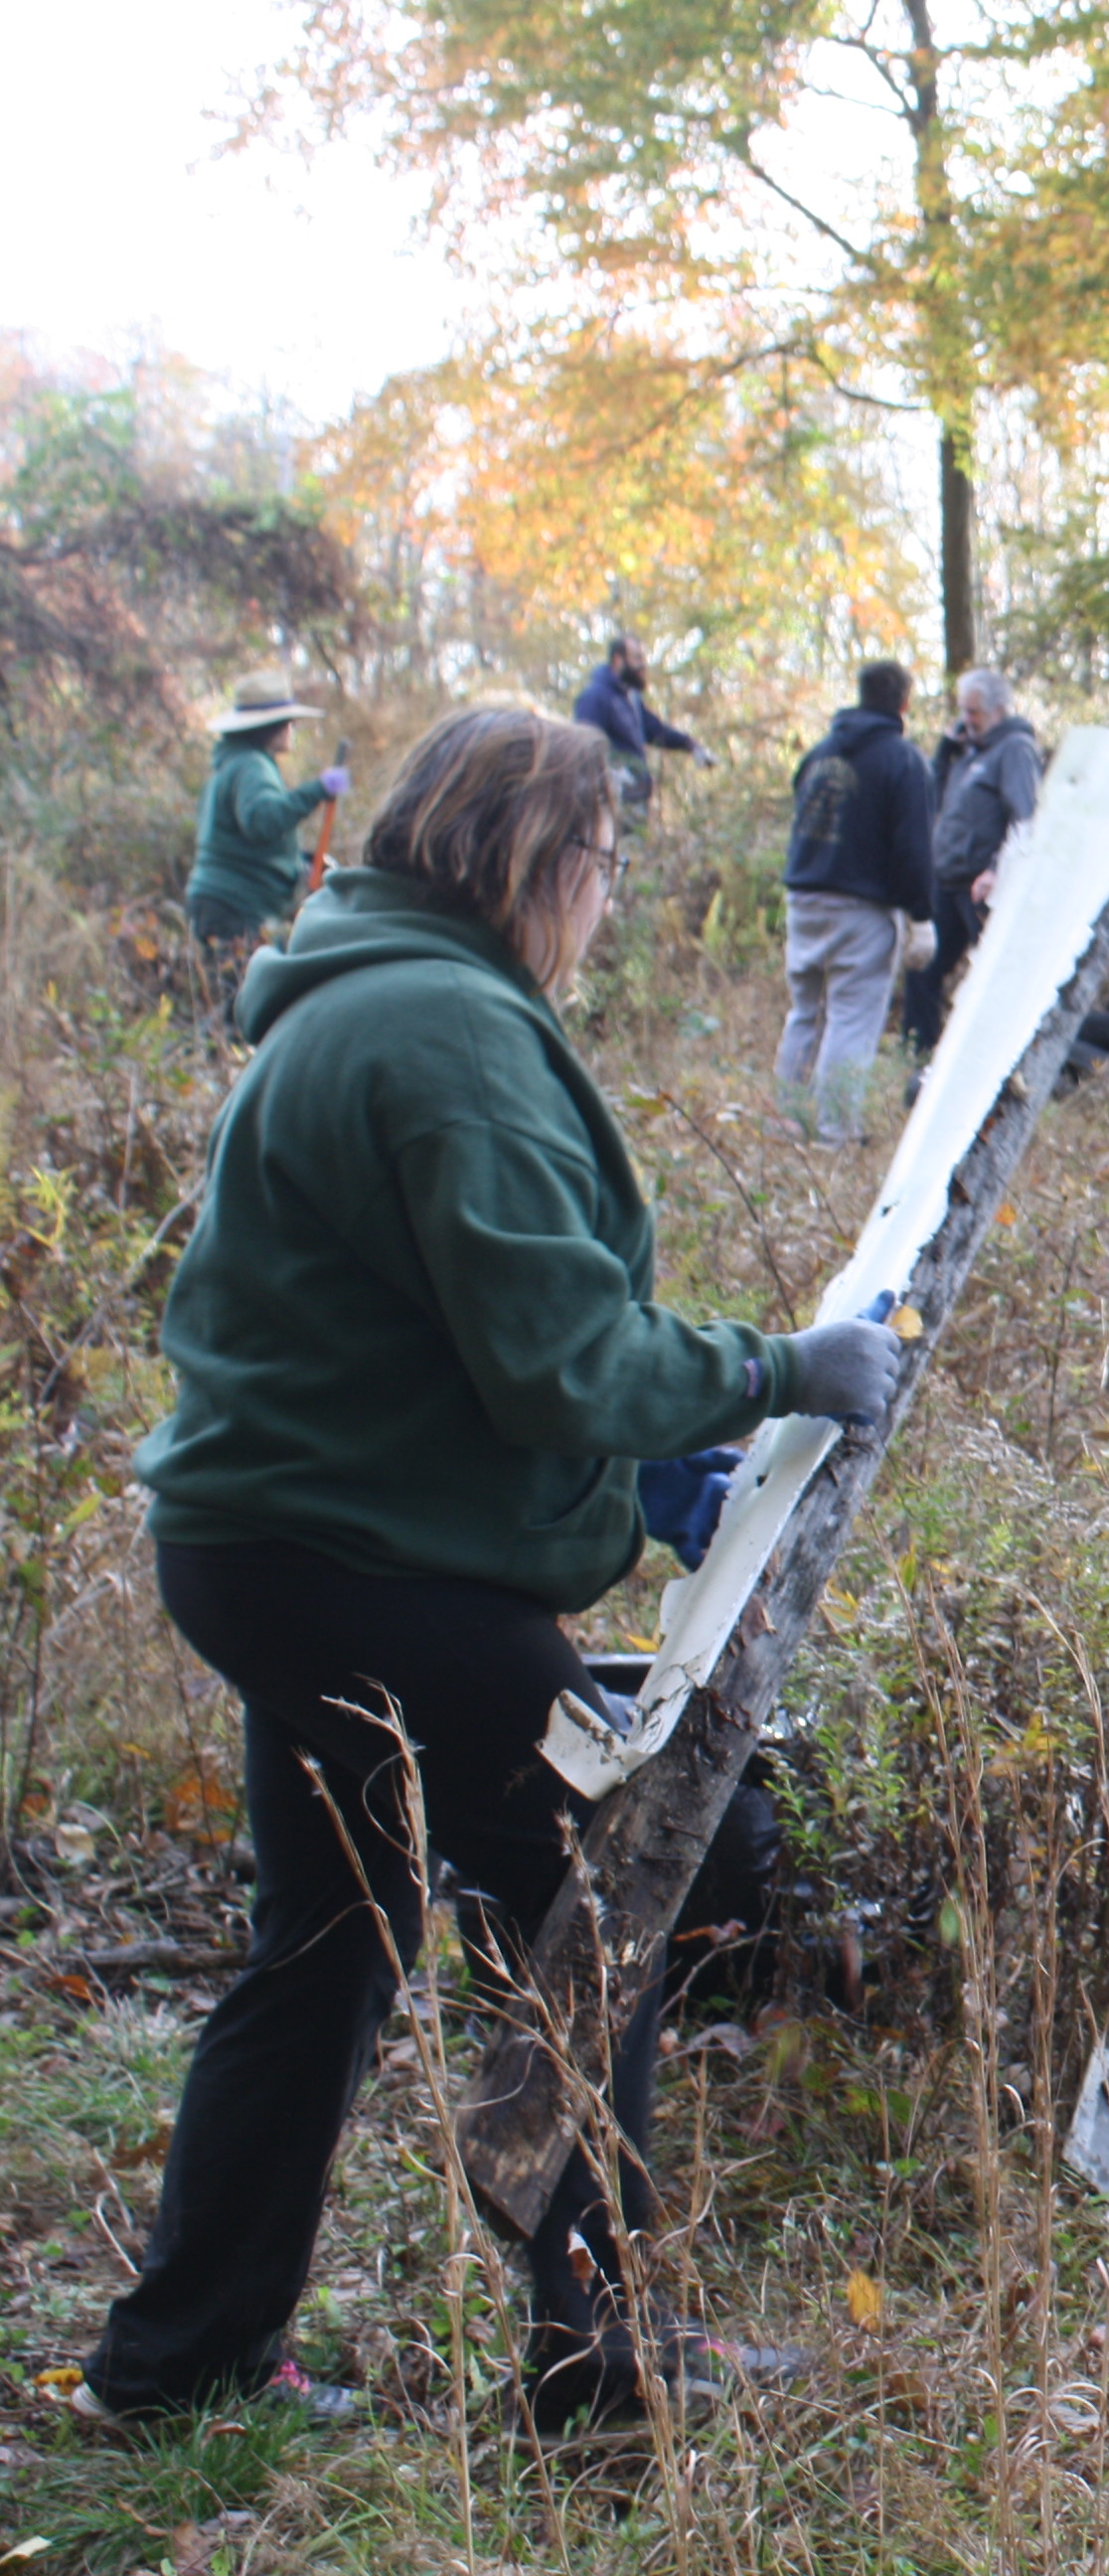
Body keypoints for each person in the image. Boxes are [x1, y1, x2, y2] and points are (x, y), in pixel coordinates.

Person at [77, 706, 909, 2436]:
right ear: (541, 859)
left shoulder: (365, 997)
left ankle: (180, 2363)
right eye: (603, 867)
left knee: (325, 1942)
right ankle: (599, 2366)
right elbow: (556, 1349)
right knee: (590, 1912)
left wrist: (650, 1468)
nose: (604, 905)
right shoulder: (447, 1028)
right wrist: (770, 1369)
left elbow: (430, 1338)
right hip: (363, 1571)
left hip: (280, 1551)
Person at [778, 659, 938, 1143]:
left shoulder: (819, 753)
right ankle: (835, 1130)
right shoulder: (903, 762)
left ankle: (786, 1120)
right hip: (861, 908)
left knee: (805, 1012)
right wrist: (922, 917)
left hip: (804, 898)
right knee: (851, 1016)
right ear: (904, 703)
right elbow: (914, 847)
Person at [904, 670, 1039, 1062]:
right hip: (945, 884)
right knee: (921, 968)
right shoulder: (969, 752)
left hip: (982, 888)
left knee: (995, 979)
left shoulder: (1014, 749)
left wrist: (998, 868)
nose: (967, 719)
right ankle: (917, 1055)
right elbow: (934, 800)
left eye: (974, 711)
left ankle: (1004, 1060)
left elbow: (1026, 817)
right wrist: (945, 752)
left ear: (999, 710)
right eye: (963, 710)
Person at [188, 669, 347, 957]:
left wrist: (299, 863)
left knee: (229, 995)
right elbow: (263, 823)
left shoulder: (232, 764)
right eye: (289, 722)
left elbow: (241, 840)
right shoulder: (251, 766)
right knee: (244, 998)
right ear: (271, 727)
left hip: (219, 902)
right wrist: (320, 789)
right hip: (235, 908)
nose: (293, 727)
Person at [572, 635, 713, 813]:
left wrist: (691, 745)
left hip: (635, 798)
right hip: (610, 803)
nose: (642, 665)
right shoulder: (594, 697)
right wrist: (609, 775)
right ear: (618, 660)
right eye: (637, 658)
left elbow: (655, 731)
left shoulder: (631, 699)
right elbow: (584, 748)